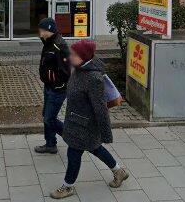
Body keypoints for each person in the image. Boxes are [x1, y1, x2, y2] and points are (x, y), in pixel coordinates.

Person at [50, 39, 129, 199]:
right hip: (75, 121)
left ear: (84, 57)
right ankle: (118, 171)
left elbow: (100, 108)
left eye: (73, 55)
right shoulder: (79, 69)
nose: (70, 57)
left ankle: (67, 186)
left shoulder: (94, 78)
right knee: (95, 148)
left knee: (74, 153)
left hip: (85, 125)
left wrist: (106, 133)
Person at [35, 17, 70, 154]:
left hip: (57, 89)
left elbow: (67, 70)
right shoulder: (48, 42)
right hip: (49, 86)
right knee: (46, 116)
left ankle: (72, 137)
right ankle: (50, 144)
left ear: (48, 30)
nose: (39, 32)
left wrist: (58, 85)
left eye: (41, 30)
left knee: (49, 118)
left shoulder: (59, 46)